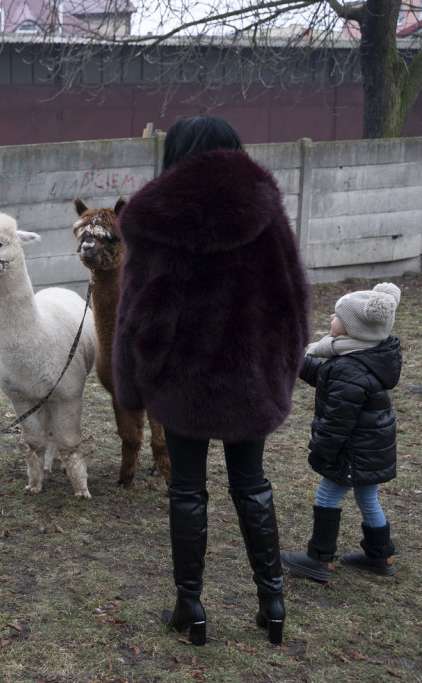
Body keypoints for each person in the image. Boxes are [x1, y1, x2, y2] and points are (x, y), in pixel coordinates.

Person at [112, 114, 311, 646]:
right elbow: (296, 295)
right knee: (252, 484)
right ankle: (273, 602)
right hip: (250, 374)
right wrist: (282, 369)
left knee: (187, 489)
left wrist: (132, 383)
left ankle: (191, 608)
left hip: (183, 378)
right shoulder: (265, 205)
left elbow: (139, 315)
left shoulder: (154, 216)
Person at [281, 283, 401, 581]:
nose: (331, 319)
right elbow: (323, 375)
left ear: (352, 329)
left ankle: (319, 559)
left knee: (327, 495)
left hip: (354, 450)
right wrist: (294, 358)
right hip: (371, 448)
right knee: (367, 498)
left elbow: (338, 420)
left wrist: (321, 449)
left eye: (336, 316)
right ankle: (379, 555)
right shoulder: (363, 357)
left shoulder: (350, 368)